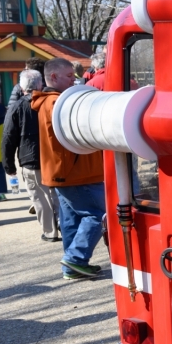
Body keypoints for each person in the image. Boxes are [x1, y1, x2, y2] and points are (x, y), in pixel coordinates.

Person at [31, 58, 107, 280]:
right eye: (68, 76)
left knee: (71, 219)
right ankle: (75, 258)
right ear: (53, 77)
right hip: (77, 171)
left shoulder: (47, 101)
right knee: (97, 215)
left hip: (62, 172)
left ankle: (72, 266)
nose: (74, 80)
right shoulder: (58, 102)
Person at [2, 69, 60, 242]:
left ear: (21, 87)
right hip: (54, 156)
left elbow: (8, 137)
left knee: (40, 196)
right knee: (57, 193)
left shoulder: (16, 107)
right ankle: (65, 225)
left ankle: (50, 232)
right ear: (41, 84)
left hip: (31, 157)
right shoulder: (51, 102)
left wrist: (8, 165)